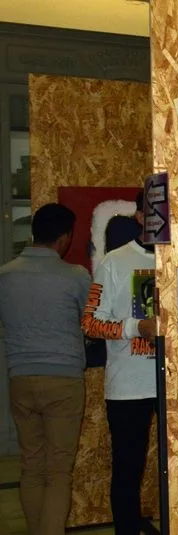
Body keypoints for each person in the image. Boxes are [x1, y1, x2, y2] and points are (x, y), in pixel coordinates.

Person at [0, 203, 91, 535]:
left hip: (20, 379)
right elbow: (90, 323)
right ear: (65, 238)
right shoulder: (76, 276)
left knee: (31, 466)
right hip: (64, 382)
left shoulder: (5, 275)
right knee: (58, 472)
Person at [81, 190, 157, 535]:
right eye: (153, 212)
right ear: (139, 216)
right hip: (129, 386)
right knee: (128, 467)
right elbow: (90, 323)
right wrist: (135, 327)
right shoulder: (115, 261)